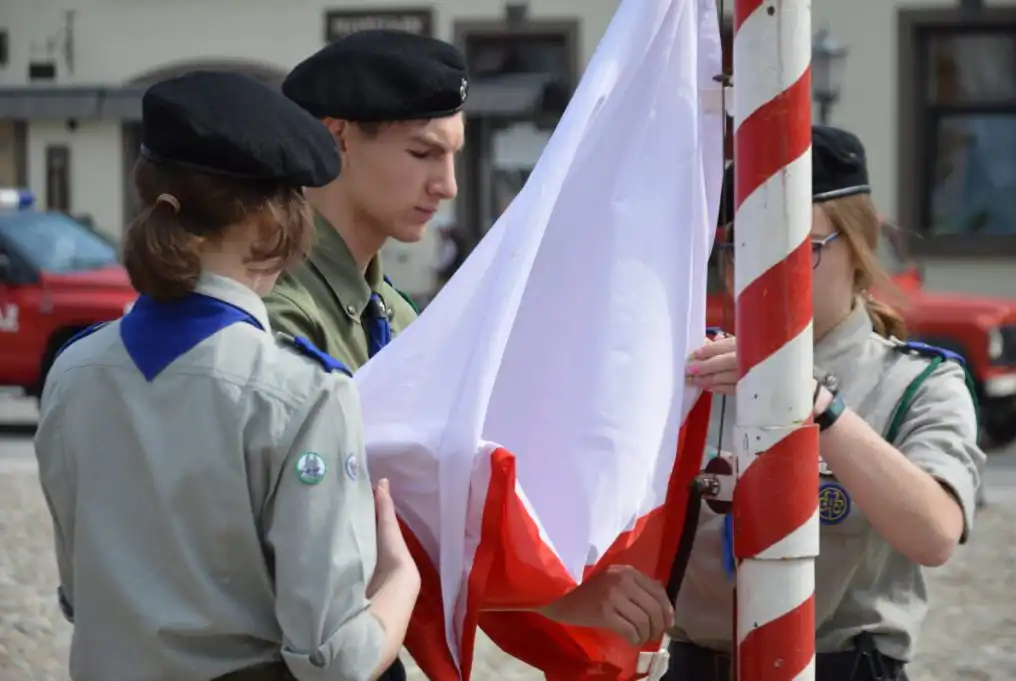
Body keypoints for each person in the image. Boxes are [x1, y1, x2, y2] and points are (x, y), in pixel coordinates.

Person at [268, 28, 676, 659]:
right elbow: (326, 529)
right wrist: (552, 593)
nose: (448, 185)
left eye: (452, 156)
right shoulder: (281, 315)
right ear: (336, 139)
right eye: (423, 153)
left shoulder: (396, 316)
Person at [34, 70, 420, 681]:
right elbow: (336, 660)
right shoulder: (304, 394)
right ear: (273, 222)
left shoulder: (73, 371)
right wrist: (402, 579)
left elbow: (80, 597)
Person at [668, 125, 986, 680]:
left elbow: (934, 534)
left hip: (842, 665)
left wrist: (819, 408)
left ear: (858, 252)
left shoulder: (916, 382)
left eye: (799, 247)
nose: (767, 269)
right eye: (744, 247)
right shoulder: (697, 373)